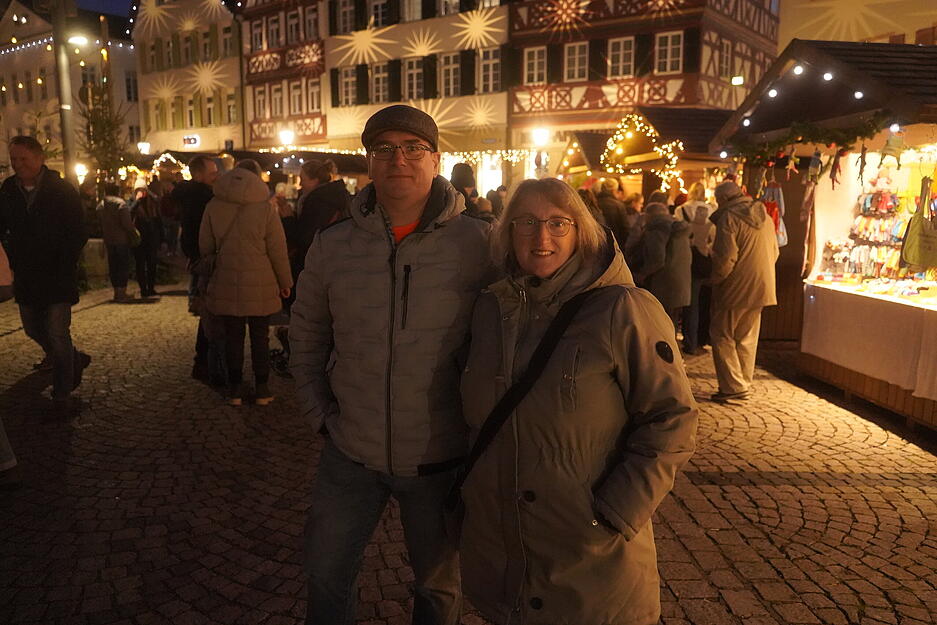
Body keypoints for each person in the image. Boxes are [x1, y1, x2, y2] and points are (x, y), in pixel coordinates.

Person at [459, 177, 697, 625]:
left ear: (581, 232)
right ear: (508, 232)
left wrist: (617, 511)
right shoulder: (491, 308)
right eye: (526, 222)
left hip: (589, 553)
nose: (541, 237)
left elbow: (672, 417)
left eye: (557, 223)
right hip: (504, 551)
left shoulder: (622, 308)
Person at [290, 104, 494, 625]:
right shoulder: (333, 245)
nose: (397, 159)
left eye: (412, 148)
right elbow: (307, 335)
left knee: (437, 588)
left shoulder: (480, 243)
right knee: (325, 573)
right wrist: (320, 414)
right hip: (350, 452)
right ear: (368, 161)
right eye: (383, 148)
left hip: (439, 455)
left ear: (436, 159)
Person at [0, 135, 90, 411]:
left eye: (23, 159)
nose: (18, 164)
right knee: (32, 328)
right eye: (14, 159)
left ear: (39, 158)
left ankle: (62, 394)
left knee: (56, 331)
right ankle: (72, 359)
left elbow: (79, 230)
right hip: (26, 275)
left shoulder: (60, 190)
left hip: (57, 275)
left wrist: (65, 259)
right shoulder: (8, 190)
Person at [199, 160, 292, 406]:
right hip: (261, 282)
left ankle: (235, 389)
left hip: (226, 280)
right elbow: (277, 250)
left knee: (233, 336)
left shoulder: (213, 206)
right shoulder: (265, 209)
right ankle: (262, 388)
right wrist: (285, 281)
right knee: (260, 337)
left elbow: (205, 246)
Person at [708, 179, 778, 402]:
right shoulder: (765, 217)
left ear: (724, 199)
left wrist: (714, 279)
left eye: (718, 200)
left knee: (722, 335)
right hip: (763, 286)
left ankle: (733, 387)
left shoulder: (728, 218)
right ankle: (743, 382)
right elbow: (775, 252)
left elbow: (725, 258)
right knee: (747, 337)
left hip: (736, 286)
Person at [172, 155, 221, 383]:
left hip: (198, 258)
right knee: (211, 314)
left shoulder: (190, 195)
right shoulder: (203, 198)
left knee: (208, 312)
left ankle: (204, 362)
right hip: (205, 259)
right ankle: (207, 364)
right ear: (199, 175)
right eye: (212, 174)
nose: (216, 177)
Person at [630, 201, 691, 329]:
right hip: (680, 285)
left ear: (649, 216)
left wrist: (642, 274)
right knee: (670, 326)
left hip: (663, 285)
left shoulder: (657, 228)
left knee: (658, 327)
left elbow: (656, 259)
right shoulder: (678, 229)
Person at [675, 182, 716, 355]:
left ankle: (688, 340)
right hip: (705, 260)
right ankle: (699, 339)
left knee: (687, 302)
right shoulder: (712, 211)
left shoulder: (682, 210)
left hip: (685, 259)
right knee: (701, 302)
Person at [96, 182, 137, 303]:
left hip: (109, 239)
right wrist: (133, 232)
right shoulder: (121, 204)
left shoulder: (101, 206)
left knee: (113, 266)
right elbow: (127, 224)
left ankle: (116, 292)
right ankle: (122, 292)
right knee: (123, 266)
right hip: (121, 239)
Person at [131, 180, 163, 298]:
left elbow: (158, 219)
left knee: (152, 263)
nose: (141, 192)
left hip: (151, 237)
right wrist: (137, 201)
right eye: (138, 190)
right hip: (139, 238)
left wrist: (161, 238)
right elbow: (129, 213)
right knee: (140, 264)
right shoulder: (133, 201)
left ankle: (151, 287)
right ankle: (143, 289)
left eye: (143, 190)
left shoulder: (152, 203)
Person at [595, 177, 628, 246]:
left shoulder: (594, 203)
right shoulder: (619, 205)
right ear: (614, 190)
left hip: (597, 242)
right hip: (615, 243)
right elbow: (625, 228)